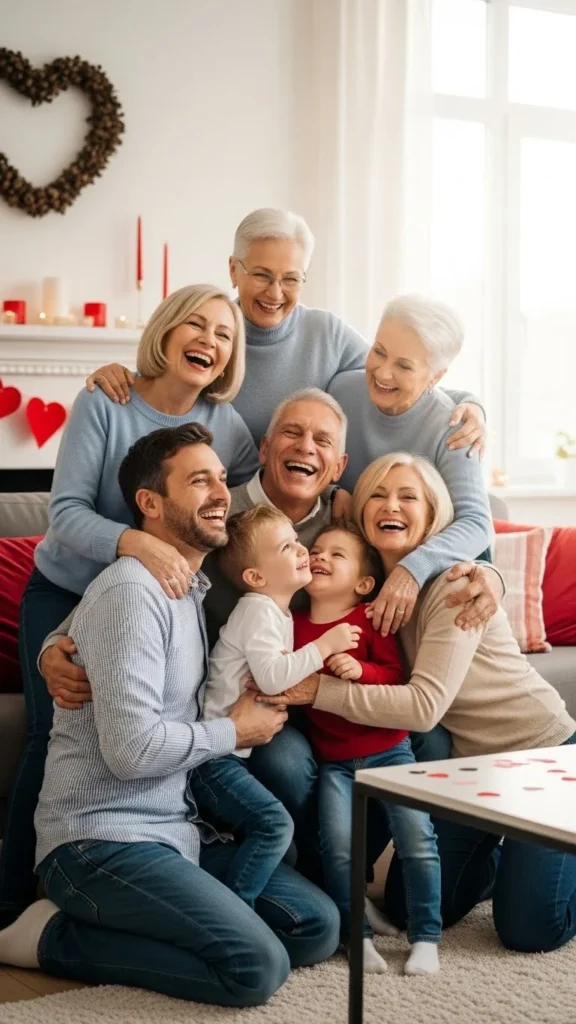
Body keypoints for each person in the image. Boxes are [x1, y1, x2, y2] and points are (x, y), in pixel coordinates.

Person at [40, 391, 503, 888]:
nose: (306, 447)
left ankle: (364, 878)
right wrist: (54, 646)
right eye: (291, 433)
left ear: (339, 466)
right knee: (287, 759)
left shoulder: (349, 522)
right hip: (251, 699)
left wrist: (489, 576)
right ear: (263, 448)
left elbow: (424, 539)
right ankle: (318, 879)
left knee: (428, 738)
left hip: (319, 692)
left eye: (322, 440)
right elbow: (128, 591)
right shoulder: (218, 513)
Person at [0, 424, 339, 1003]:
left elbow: (87, 629)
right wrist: (235, 730)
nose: (220, 492)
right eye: (198, 480)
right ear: (150, 504)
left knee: (316, 926)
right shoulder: (134, 591)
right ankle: (51, 935)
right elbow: (130, 752)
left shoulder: (187, 590)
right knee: (256, 967)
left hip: (177, 832)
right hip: (101, 839)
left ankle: (153, 920)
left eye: (220, 478)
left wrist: (53, 641)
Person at [0, 284, 259, 928]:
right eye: (195, 326)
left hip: (157, 602)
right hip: (69, 592)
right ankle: (14, 902)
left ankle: (146, 871)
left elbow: (251, 497)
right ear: (166, 332)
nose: (209, 341)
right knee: (48, 735)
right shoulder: (107, 398)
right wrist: (138, 545)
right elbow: (62, 516)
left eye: (224, 334)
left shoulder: (226, 426)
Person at [263, 452, 576, 955]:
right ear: (363, 511)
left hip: (541, 755)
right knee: (409, 909)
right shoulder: (370, 593)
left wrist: (317, 692)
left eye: (409, 497)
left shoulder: (456, 585)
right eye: (380, 495)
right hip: (471, 773)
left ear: (434, 516)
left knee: (530, 930)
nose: (393, 506)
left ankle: (540, 850)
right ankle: (508, 856)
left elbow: (424, 707)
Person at [85, 208, 487, 451]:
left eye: (291, 279)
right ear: (232, 269)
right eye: (261, 275)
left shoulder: (325, 333)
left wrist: (470, 403)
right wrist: (121, 376)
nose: (275, 293)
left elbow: (398, 375)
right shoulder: (213, 333)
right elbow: (166, 388)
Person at [192, 505, 360, 909]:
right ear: (255, 577)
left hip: (235, 753)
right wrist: (324, 647)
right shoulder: (257, 611)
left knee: (278, 843)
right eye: (287, 547)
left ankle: (275, 904)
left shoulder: (276, 612)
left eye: (297, 541)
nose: (303, 550)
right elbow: (270, 678)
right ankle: (237, 912)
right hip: (215, 757)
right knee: (273, 825)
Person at [293, 522, 441, 976]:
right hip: (335, 764)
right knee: (339, 848)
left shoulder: (369, 617)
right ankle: (357, 936)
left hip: (391, 751)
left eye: (336, 555)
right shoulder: (292, 625)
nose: (320, 556)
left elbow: (395, 675)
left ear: (363, 583)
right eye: (316, 549)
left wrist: (360, 670)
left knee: (417, 840)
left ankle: (426, 937)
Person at [328, 293, 494, 637]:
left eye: (404, 366)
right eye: (378, 351)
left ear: (435, 376)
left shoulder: (454, 426)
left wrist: (413, 568)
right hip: (354, 575)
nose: (382, 373)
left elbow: (477, 523)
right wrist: (333, 491)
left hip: (421, 586)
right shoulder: (342, 390)